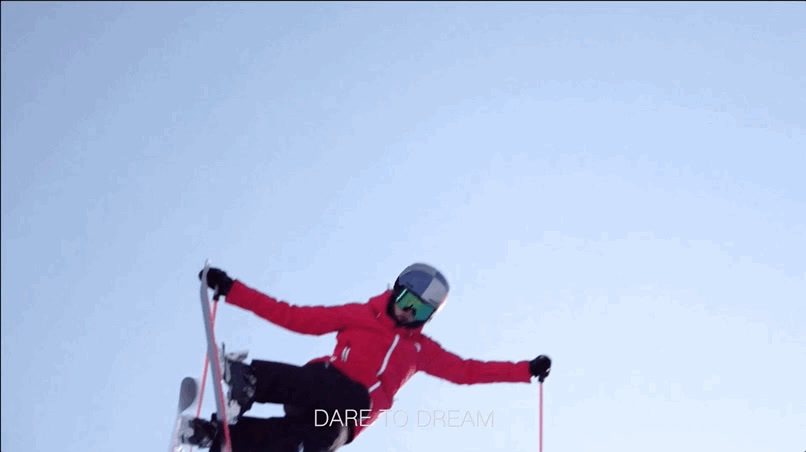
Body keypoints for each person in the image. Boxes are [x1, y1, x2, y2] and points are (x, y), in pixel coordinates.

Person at [179, 263, 552, 452]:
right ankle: (249, 381)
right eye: (407, 303)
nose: (408, 315)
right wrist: (232, 291)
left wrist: (524, 371)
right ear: (395, 292)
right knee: (347, 394)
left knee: (313, 445)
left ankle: (222, 438)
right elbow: (293, 315)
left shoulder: (420, 351)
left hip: (344, 420)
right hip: (319, 389)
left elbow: (467, 372)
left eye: (419, 313)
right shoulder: (359, 315)